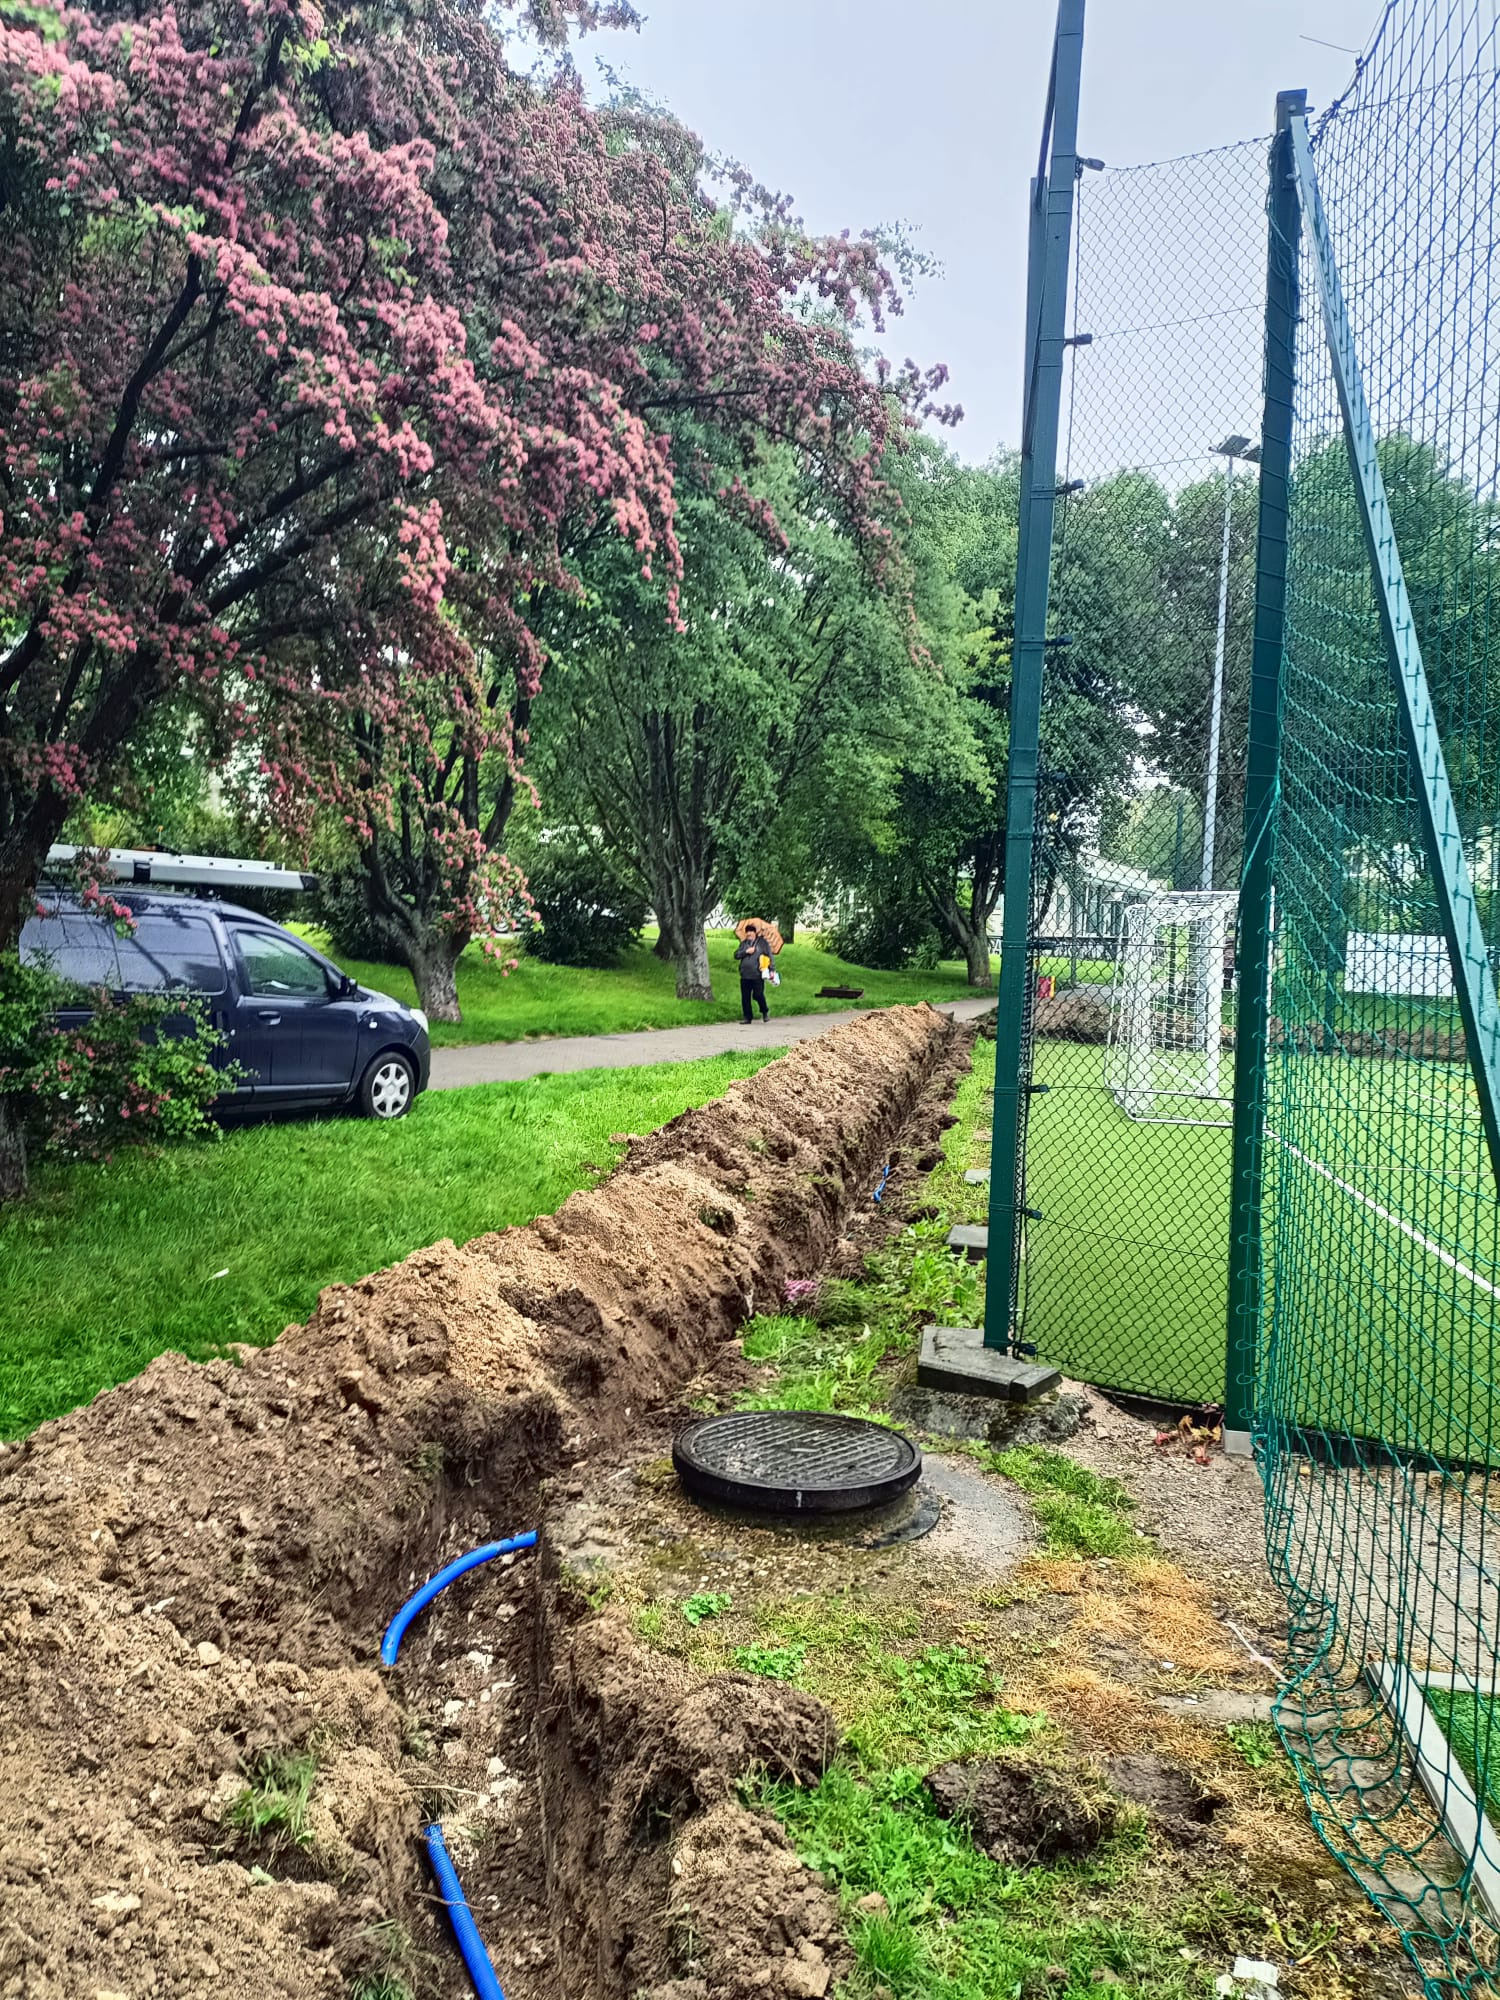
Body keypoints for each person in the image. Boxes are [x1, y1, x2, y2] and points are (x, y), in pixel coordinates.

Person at [735, 927, 770, 1023]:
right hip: (745, 974)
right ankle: (747, 1017)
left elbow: (769, 956)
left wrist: (771, 970)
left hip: (757, 974)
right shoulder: (744, 944)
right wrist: (746, 951)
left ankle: (764, 1011)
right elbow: (736, 955)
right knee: (745, 997)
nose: (749, 934)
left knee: (758, 995)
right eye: (747, 932)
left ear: (755, 933)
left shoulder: (762, 944)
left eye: (751, 932)